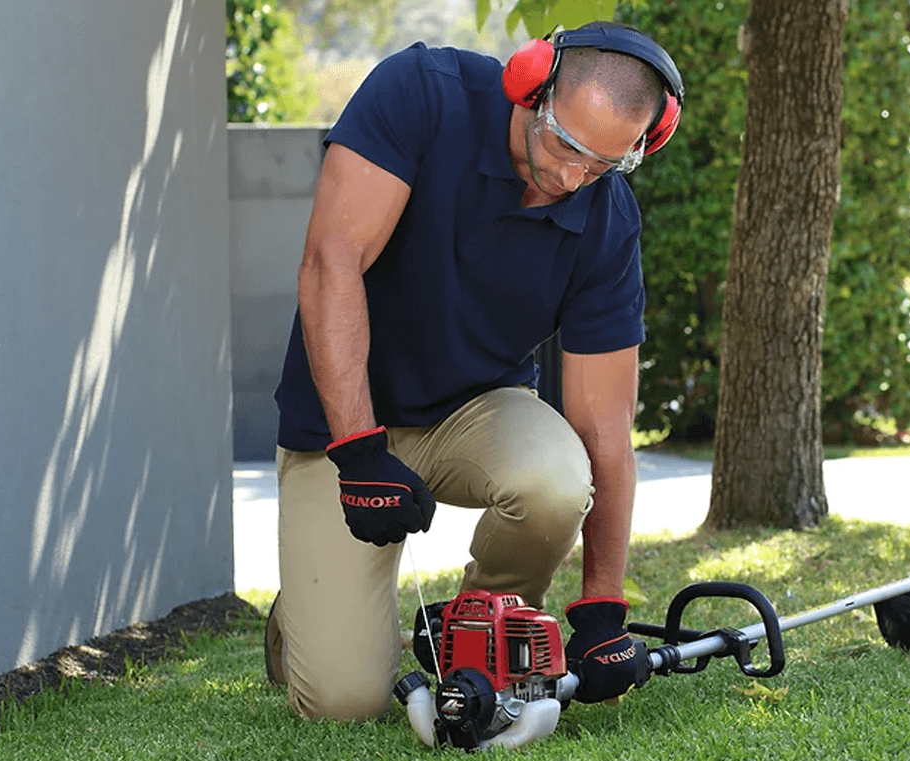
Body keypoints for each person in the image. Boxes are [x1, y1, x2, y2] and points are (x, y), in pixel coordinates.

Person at [261, 21, 685, 723]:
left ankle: (476, 627)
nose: (575, 176)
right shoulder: (421, 96)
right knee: (343, 700)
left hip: (474, 414)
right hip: (342, 430)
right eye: (567, 146)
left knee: (556, 476)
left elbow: (603, 426)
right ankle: (299, 621)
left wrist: (602, 606)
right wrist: (361, 452)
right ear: (529, 87)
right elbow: (330, 263)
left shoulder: (607, 219)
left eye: (606, 163)